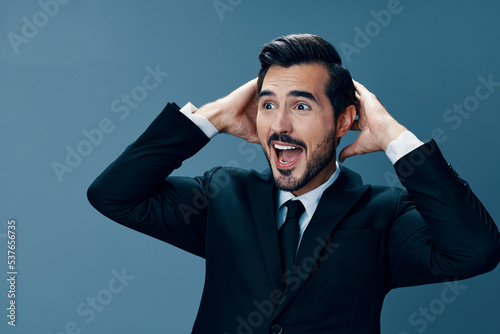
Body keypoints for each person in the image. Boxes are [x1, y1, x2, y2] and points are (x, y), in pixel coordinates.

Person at [87, 34, 500, 334]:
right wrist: (210, 119)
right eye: (268, 105)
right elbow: (113, 195)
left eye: (301, 106)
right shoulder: (221, 196)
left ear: (344, 121)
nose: (280, 126)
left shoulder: (384, 215)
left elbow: (475, 251)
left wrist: (396, 139)